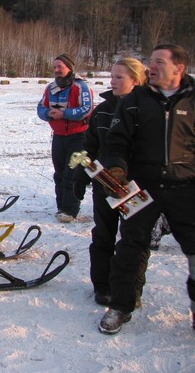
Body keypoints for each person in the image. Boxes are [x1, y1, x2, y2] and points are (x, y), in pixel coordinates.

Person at [98, 44, 195, 335]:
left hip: (187, 187)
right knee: (129, 247)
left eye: (158, 62)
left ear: (178, 68)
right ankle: (120, 306)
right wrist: (115, 167)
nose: (151, 66)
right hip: (141, 186)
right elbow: (116, 141)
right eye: (150, 61)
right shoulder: (134, 99)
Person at [72, 58, 148, 307]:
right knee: (103, 236)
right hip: (104, 185)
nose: (112, 82)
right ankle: (102, 287)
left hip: (135, 188)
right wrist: (80, 174)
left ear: (135, 80)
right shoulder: (102, 110)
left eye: (119, 77)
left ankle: (130, 291)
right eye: (111, 76)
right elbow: (88, 147)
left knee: (133, 241)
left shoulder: (146, 110)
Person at [37, 53, 93, 222]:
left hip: (80, 136)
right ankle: (61, 206)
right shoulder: (50, 88)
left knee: (73, 172)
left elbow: (86, 109)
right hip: (59, 137)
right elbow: (40, 108)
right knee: (60, 173)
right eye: (54, 67)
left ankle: (70, 210)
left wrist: (64, 114)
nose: (57, 70)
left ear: (69, 68)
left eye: (60, 67)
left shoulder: (81, 87)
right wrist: (48, 114)